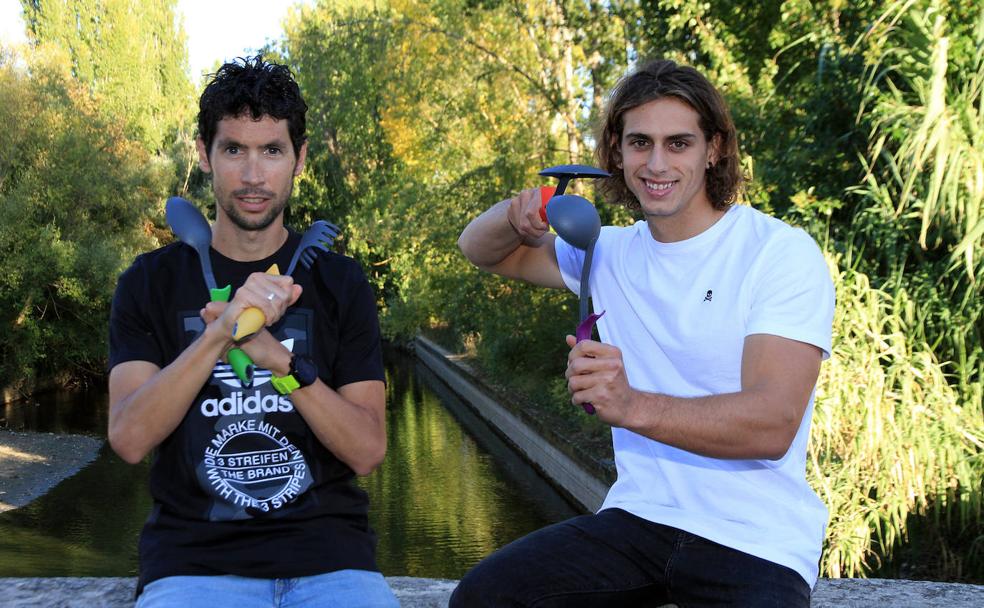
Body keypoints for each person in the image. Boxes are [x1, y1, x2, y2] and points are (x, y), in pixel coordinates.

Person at [452, 58, 835, 607]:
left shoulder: (777, 253)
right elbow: (479, 250)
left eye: (678, 143)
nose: (657, 163)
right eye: (639, 143)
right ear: (617, 152)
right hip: (639, 520)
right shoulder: (603, 251)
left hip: (755, 539)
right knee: (485, 597)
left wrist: (629, 404)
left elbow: (772, 424)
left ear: (715, 149)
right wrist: (516, 218)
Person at [107, 56, 398, 607]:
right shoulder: (149, 282)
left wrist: (280, 362)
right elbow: (128, 437)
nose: (253, 176)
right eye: (234, 149)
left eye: (272, 150)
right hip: (192, 565)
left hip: (332, 561)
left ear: (299, 158)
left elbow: (365, 451)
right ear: (204, 155)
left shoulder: (339, 282)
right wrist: (218, 337)